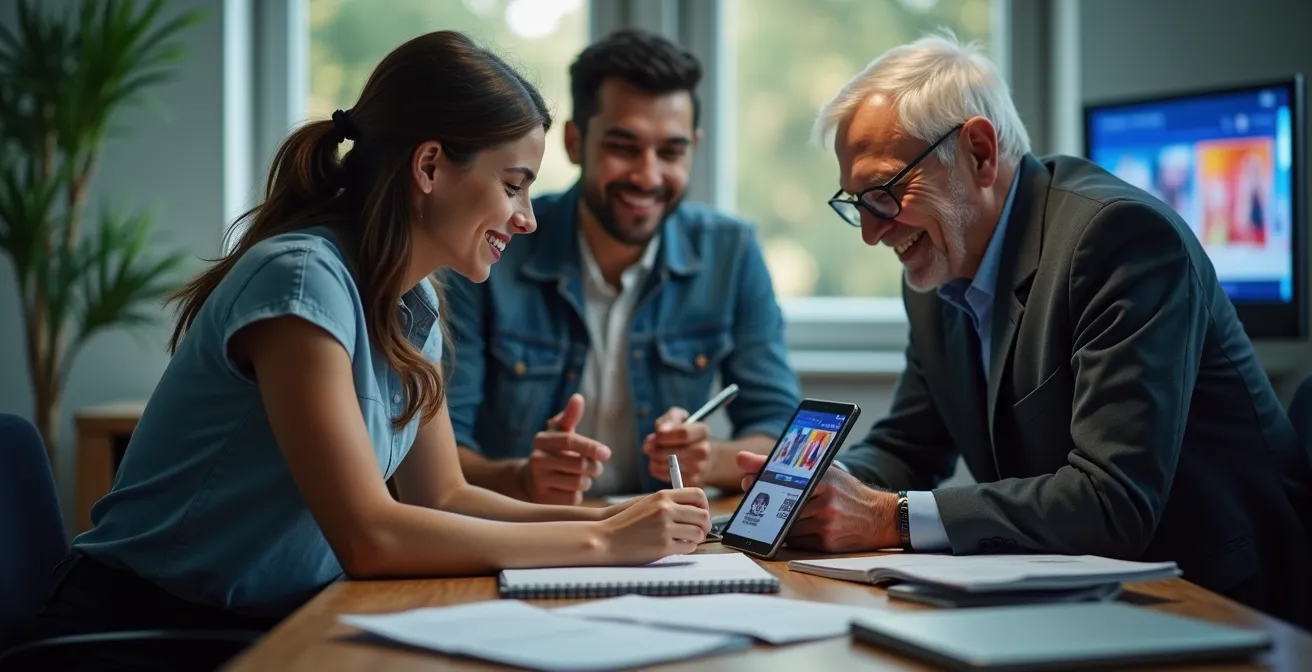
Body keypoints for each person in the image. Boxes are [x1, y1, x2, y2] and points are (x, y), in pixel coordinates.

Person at [12, 31, 710, 670]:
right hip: (144, 636)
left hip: (267, 625)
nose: (526, 218)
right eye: (512, 186)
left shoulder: (414, 301)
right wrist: (603, 546)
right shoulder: (301, 278)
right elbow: (370, 537)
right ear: (430, 165)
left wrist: (613, 519)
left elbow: (445, 496)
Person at [735, 31, 1312, 628]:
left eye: (883, 193)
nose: (871, 233)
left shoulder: (1121, 240)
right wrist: (827, 489)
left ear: (979, 153)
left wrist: (888, 516)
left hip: (1221, 600)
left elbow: (1112, 501)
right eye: (857, 203)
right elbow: (910, 445)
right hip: (1079, 594)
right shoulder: (936, 271)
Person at [445, 29, 800, 506]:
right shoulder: (491, 249)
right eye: (624, 146)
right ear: (574, 142)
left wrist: (710, 458)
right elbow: (441, 449)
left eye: (671, 152)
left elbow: (781, 428)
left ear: (694, 147)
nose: (648, 176)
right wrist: (524, 477)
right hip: (531, 531)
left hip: (669, 535)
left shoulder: (731, 253)